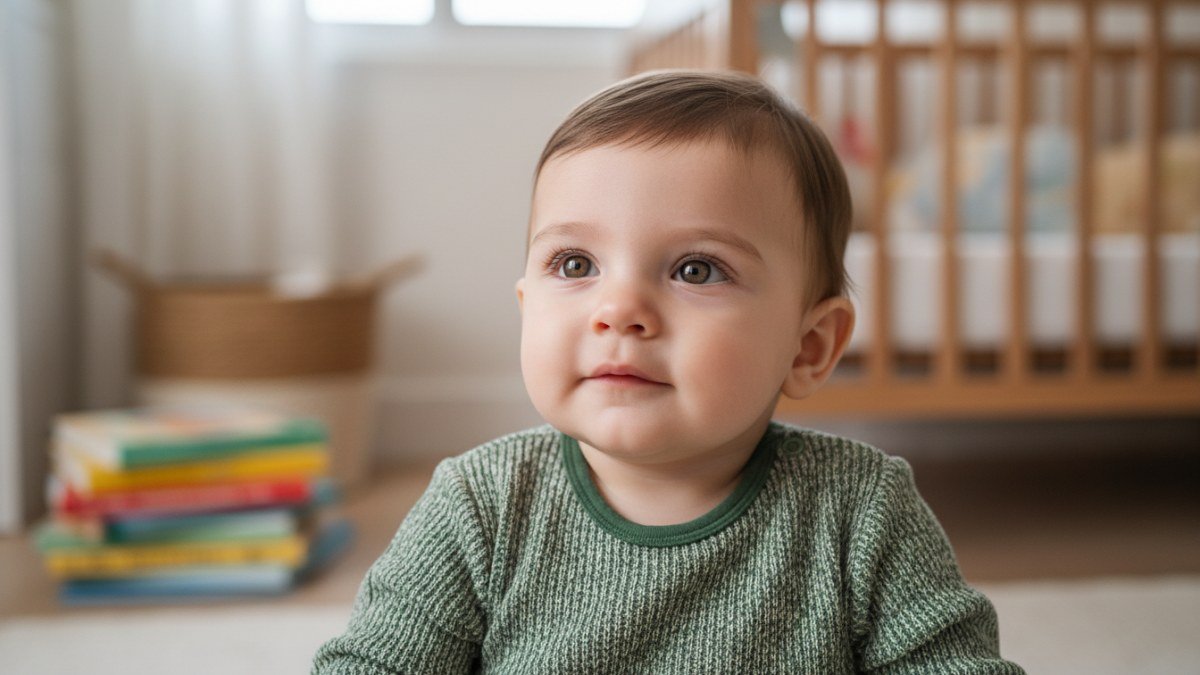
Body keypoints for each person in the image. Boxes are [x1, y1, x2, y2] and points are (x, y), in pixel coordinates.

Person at [312, 70, 1024, 674]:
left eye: (695, 269)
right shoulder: (481, 507)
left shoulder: (861, 510)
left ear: (808, 347)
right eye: (575, 264)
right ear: (526, 305)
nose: (619, 309)